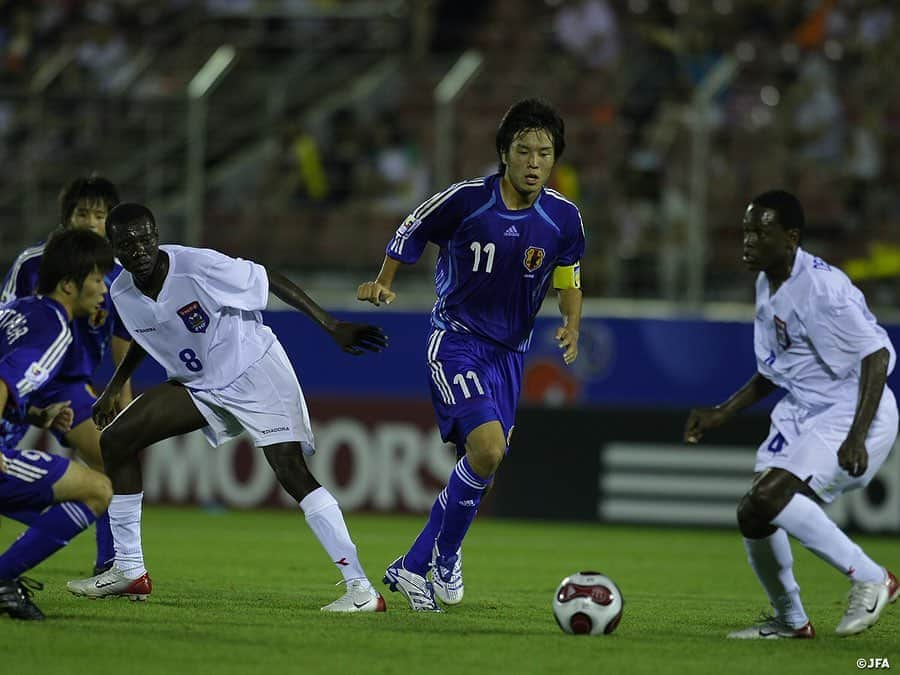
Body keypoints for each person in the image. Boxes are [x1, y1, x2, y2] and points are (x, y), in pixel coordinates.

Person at [65, 202, 390, 612]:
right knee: (115, 440)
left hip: (254, 370)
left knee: (290, 471)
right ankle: (130, 569)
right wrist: (115, 386)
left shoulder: (198, 266)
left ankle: (361, 589)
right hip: (201, 384)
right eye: (127, 244)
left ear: (157, 236)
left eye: (146, 239)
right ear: (114, 249)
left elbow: (267, 278)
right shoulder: (123, 292)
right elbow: (147, 336)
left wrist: (332, 326)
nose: (140, 250)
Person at [357, 98, 585, 611]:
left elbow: (568, 275)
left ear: (555, 160)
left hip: (510, 355)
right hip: (456, 339)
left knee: (483, 463)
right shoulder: (468, 201)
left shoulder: (563, 219)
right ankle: (431, 562)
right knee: (487, 451)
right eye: (523, 150)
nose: (533, 162)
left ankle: (422, 563)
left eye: (544, 153)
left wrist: (572, 322)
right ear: (504, 153)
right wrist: (383, 281)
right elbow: (411, 227)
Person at [684, 190, 899, 638]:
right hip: (805, 407)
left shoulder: (823, 289)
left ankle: (873, 577)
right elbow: (774, 370)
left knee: (768, 498)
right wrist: (722, 413)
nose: (748, 240)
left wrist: (857, 435)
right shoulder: (769, 281)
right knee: (753, 514)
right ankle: (791, 621)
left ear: (791, 239)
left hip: (853, 407)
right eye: (746, 230)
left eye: (761, 232)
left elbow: (876, 355)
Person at [1, 175, 131, 575]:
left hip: (64, 385)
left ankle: (112, 563)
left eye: (99, 215)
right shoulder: (33, 268)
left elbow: (123, 343)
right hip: (24, 377)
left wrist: (123, 407)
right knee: (78, 490)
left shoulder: (118, 276)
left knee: (112, 459)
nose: (90, 222)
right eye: (82, 213)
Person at [0, 228, 114, 620]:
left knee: (43, 515)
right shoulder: (54, 329)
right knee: (97, 491)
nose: (103, 289)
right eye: (97, 279)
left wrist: (35, 415)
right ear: (69, 285)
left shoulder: (16, 312)